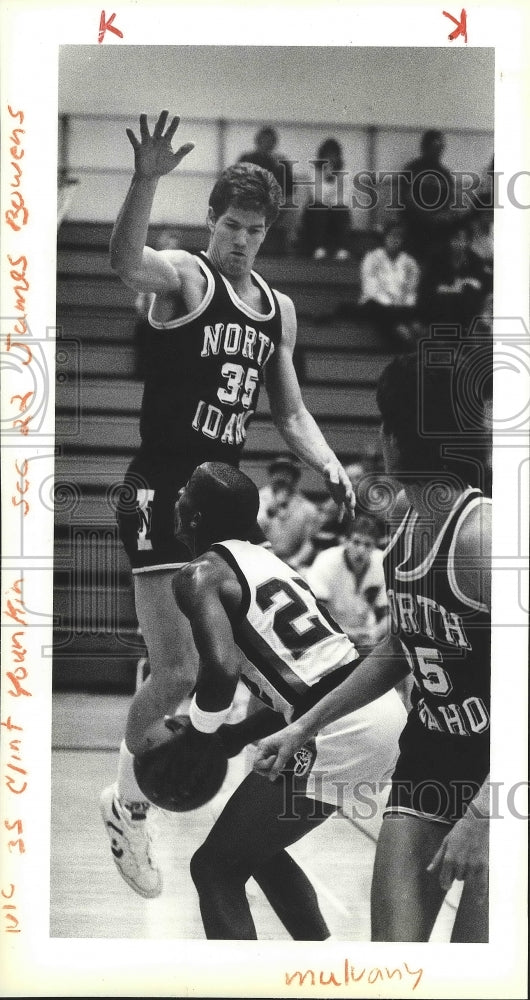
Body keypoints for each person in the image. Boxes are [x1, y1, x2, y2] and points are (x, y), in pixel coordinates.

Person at [99, 110, 355, 898]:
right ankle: (127, 805)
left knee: (239, 668)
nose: (240, 240)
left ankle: (216, 796)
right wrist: (144, 180)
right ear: (211, 221)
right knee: (179, 668)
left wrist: (330, 464)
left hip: (223, 503)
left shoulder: (276, 310)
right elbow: (121, 261)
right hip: (161, 487)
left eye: (254, 230)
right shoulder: (185, 275)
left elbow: (291, 411)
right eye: (231, 225)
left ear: (269, 231)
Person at [255, 351, 491, 943]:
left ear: (402, 435)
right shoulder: (407, 532)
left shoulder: (484, 537)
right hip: (431, 754)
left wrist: (485, 815)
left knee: (478, 972)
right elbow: (400, 647)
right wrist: (303, 726)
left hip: (499, 769)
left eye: (385, 421)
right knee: (394, 965)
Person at [170, 461, 407, 939]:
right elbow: (309, 676)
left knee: (214, 868)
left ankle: (243, 988)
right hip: (372, 707)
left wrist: (197, 736)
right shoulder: (271, 562)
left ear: (195, 519)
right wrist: (235, 734)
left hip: (335, 725)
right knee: (258, 851)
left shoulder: (200, 575)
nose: (175, 498)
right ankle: (320, 969)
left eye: (183, 494)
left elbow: (220, 671)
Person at [305, 514, 389, 655]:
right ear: (344, 541)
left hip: (365, 634)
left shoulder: (382, 562)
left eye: (367, 545)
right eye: (356, 542)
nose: (361, 550)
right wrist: (347, 633)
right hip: (328, 634)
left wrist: (375, 634)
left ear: (374, 546)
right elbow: (316, 615)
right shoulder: (326, 560)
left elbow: (389, 615)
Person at [359, 221, 421, 347]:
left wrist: (401, 305)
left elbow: (411, 290)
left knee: (415, 314)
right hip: (375, 303)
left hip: (401, 306)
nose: (395, 240)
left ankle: (409, 335)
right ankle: (403, 335)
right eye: (391, 235)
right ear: (385, 237)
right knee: (381, 311)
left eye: (399, 237)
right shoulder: (372, 258)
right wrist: (391, 305)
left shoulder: (410, 263)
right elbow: (371, 289)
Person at [257, 453, 323, 569]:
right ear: (271, 476)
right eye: (278, 473)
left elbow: (310, 543)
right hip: (260, 560)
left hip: (291, 564)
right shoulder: (257, 500)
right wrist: (270, 512)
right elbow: (251, 535)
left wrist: (294, 562)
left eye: (287, 474)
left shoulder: (308, 509)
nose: (282, 477)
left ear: (294, 479)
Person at [237, 125, 295, 254]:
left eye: (270, 141)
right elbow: (236, 184)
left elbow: (290, 190)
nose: (267, 144)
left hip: (274, 205)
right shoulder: (246, 159)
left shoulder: (281, 163)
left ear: (274, 144)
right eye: (264, 141)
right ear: (258, 141)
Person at [296, 138, 352, 260]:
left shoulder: (344, 173)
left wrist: (333, 180)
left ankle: (342, 249)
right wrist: (328, 178)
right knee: (319, 208)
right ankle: (318, 248)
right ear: (321, 156)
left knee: (341, 210)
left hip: (336, 211)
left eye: (333, 155)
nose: (330, 159)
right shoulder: (313, 172)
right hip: (317, 210)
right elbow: (317, 196)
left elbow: (345, 198)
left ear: (338, 157)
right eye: (327, 155)